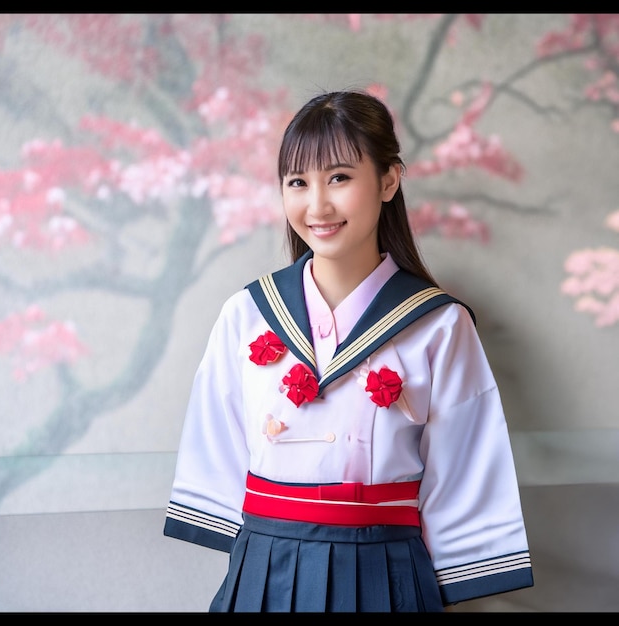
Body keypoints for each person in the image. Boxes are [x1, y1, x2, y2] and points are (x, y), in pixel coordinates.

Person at [163, 89, 534, 612]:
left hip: (387, 570)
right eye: (298, 183)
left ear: (388, 180)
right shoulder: (246, 314)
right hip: (266, 568)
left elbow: (465, 467)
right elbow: (217, 443)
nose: (317, 206)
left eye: (339, 177)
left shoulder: (438, 324)